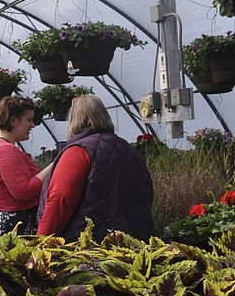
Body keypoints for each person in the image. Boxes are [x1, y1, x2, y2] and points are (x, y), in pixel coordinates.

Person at [37, 94, 154, 241]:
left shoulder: (79, 151)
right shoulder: (130, 150)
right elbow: (146, 194)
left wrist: (41, 241)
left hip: (92, 248)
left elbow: (60, 201)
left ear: (74, 118)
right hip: (133, 243)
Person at [0, 96, 54, 234]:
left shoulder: (1, 147)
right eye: (29, 120)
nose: (32, 125)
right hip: (12, 225)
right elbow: (23, 191)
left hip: (9, 222)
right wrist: (54, 165)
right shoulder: (5, 150)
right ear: (14, 120)